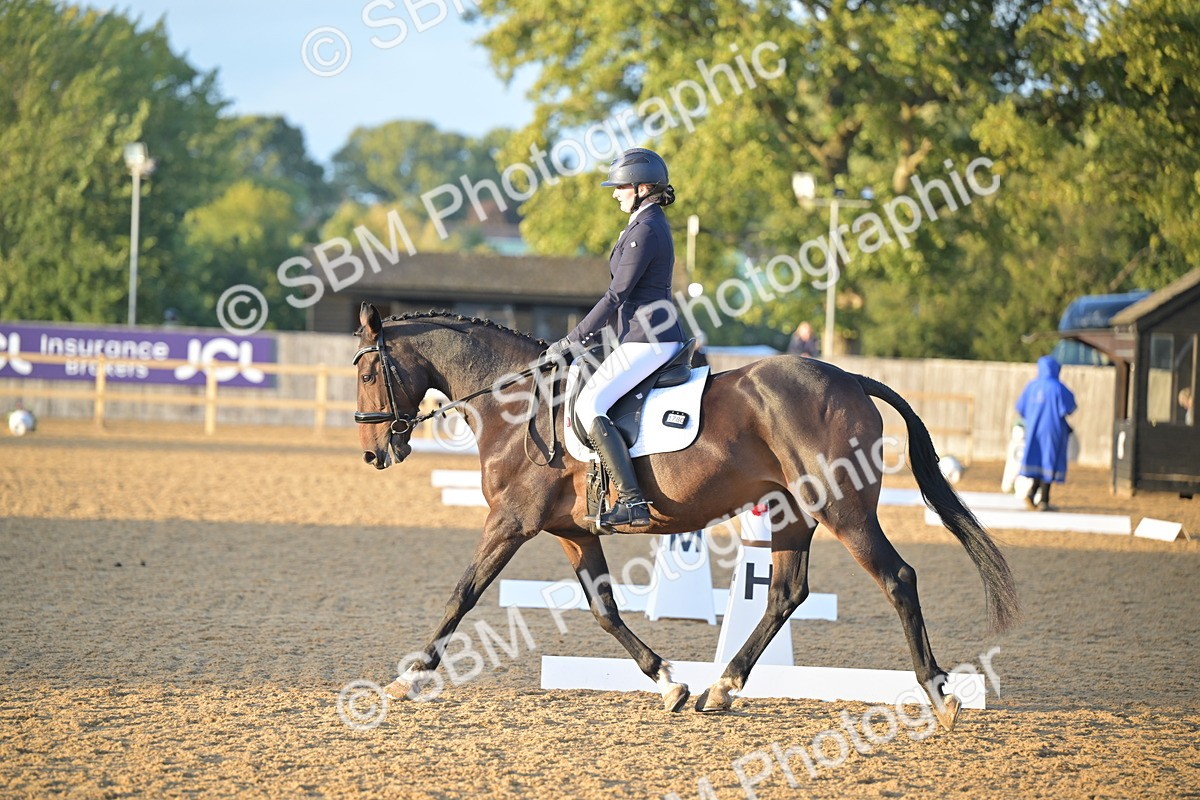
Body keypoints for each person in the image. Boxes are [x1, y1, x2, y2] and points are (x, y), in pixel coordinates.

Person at [542, 148, 685, 529]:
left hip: (648, 338)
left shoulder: (647, 228)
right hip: (636, 335)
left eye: (620, 185)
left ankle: (633, 502)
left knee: (590, 407)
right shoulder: (645, 223)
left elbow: (616, 296)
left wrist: (571, 340)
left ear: (642, 187)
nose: (614, 192)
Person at [1015, 356, 1076, 511]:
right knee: (1049, 462)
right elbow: (1070, 407)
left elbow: (1020, 408)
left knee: (1038, 461)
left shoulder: (1031, 386)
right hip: (1053, 430)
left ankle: (1032, 494)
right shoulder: (1058, 387)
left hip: (1034, 429)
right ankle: (1044, 500)